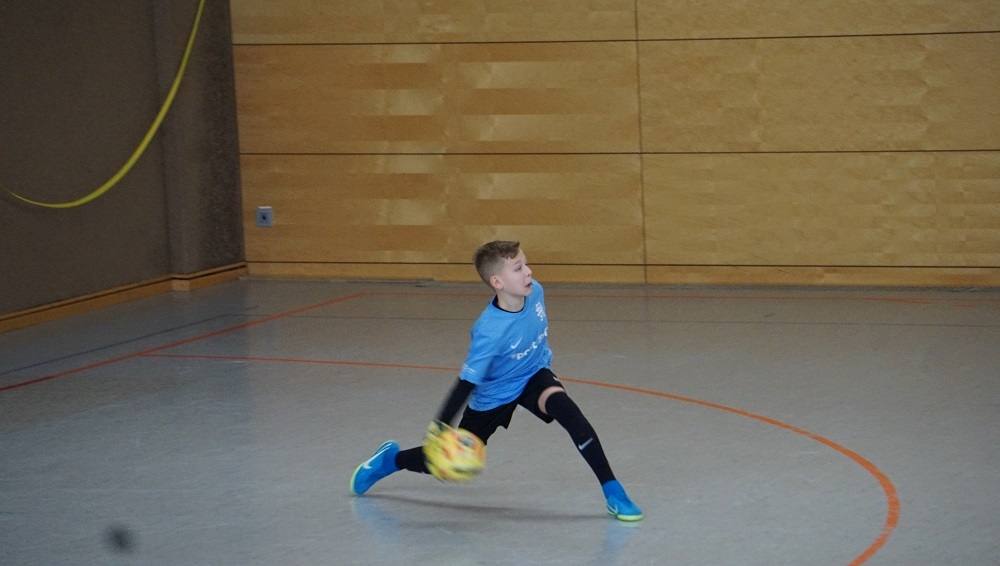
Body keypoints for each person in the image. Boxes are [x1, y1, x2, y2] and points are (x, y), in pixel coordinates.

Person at [349, 240, 642, 521]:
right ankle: (391, 460)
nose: (528, 272)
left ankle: (613, 492)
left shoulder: (535, 292)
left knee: (569, 412)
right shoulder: (489, 331)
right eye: (518, 268)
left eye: (526, 264)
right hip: (494, 395)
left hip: (533, 374)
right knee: (441, 464)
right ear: (497, 282)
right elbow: (466, 383)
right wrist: (440, 428)